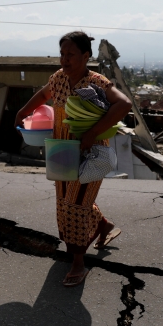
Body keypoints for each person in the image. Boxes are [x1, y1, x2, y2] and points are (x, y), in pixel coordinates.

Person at [15, 31, 132, 287]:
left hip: (90, 153)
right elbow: (45, 94)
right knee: (65, 202)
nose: (64, 60)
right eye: (62, 54)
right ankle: (103, 225)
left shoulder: (96, 82)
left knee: (75, 206)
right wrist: (24, 110)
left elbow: (124, 104)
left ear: (86, 56)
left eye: (70, 54)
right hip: (61, 152)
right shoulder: (58, 79)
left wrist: (91, 133)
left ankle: (78, 263)